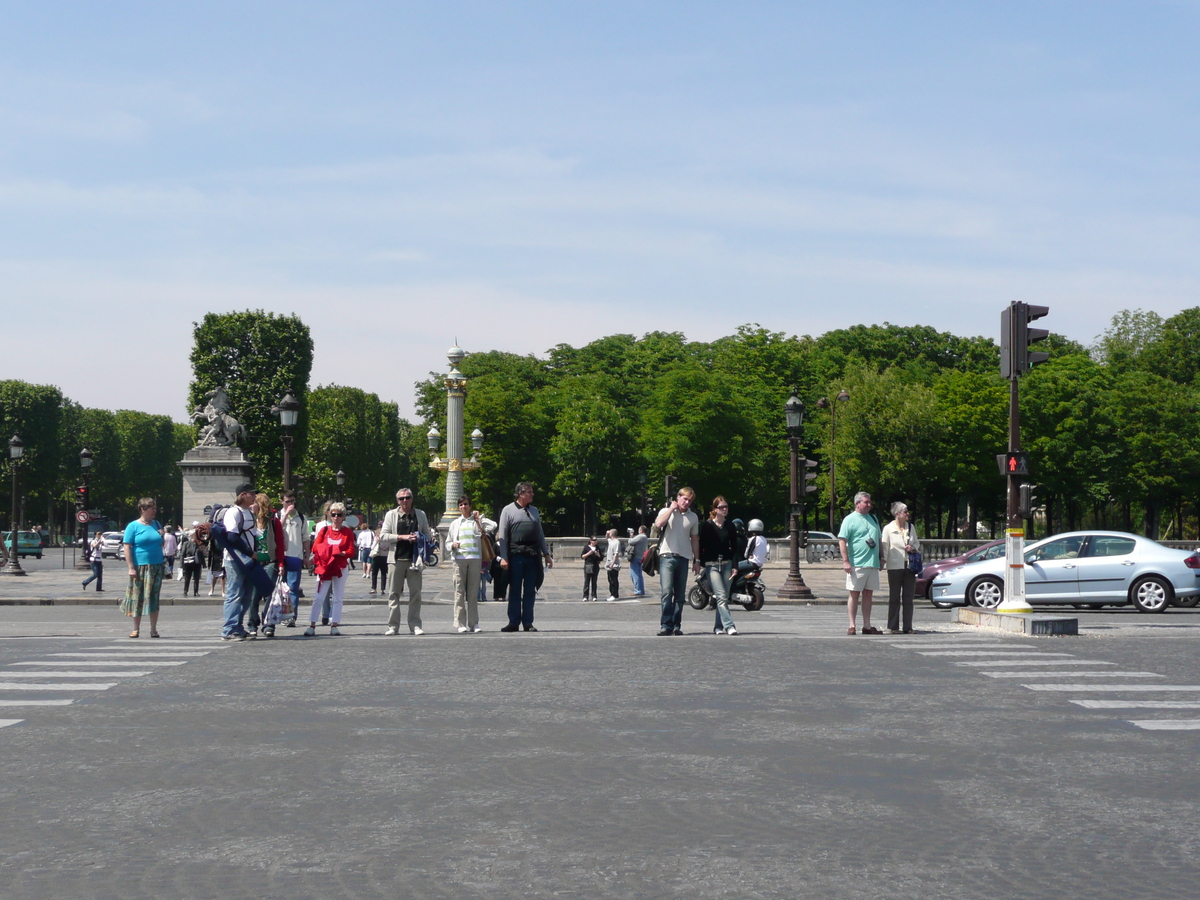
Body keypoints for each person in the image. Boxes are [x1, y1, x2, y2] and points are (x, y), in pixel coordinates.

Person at [496, 481, 553, 632]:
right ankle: (513, 622)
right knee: (514, 589)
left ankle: (528, 622)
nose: (532, 494)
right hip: (516, 556)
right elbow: (503, 536)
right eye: (529, 492)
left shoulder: (534, 511)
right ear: (521, 494)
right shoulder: (508, 510)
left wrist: (546, 554)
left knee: (530, 590)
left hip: (533, 556)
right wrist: (503, 557)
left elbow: (540, 534)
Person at [381, 488, 437, 635]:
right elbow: (383, 536)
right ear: (397, 500)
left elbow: (427, 534)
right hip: (396, 559)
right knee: (393, 594)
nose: (404, 501)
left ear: (412, 499)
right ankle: (393, 626)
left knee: (416, 594)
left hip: (414, 560)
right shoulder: (391, 515)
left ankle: (415, 625)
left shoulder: (420, 514)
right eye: (401, 498)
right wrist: (402, 537)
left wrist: (420, 537)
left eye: (407, 498)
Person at [653, 487, 701, 636]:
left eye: (689, 500)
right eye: (684, 498)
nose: (686, 502)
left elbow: (694, 539)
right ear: (678, 497)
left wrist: (697, 559)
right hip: (667, 556)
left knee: (680, 595)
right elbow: (658, 524)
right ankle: (665, 624)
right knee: (667, 592)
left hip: (683, 557)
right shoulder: (665, 511)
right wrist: (670, 509)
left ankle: (676, 624)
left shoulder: (693, 517)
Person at [306, 503, 354, 636]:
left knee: (338, 597)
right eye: (333, 514)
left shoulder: (347, 531)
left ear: (344, 516)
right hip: (325, 567)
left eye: (339, 514)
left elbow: (351, 551)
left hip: (340, 567)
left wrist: (337, 552)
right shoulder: (324, 530)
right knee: (319, 596)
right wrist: (334, 550)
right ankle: (312, 625)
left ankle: (335, 625)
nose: (336, 517)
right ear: (329, 515)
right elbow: (315, 548)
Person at [839, 491, 883, 636]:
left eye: (870, 502)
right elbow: (842, 541)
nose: (869, 505)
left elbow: (879, 539)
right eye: (866, 502)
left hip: (872, 563)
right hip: (857, 563)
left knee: (868, 594)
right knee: (854, 594)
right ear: (857, 504)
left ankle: (867, 625)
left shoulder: (873, 518)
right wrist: (846, 561)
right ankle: (852, 625)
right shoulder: (849, 519)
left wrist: (881, 557)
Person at [221, 483, 261, 641]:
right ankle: (229, 629)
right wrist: (250, 553)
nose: (254, 496)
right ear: (243, 495)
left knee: (247, 595)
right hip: (235, 559)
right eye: (252, 494)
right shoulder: (234, 512)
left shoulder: (249, 512)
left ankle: (238, 626)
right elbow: (232, 537)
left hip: (249, 559)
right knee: (235, 593)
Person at [448, 493, 493, 633]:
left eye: (466, 504)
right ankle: (461, 623)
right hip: (459, 560)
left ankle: (474, 623)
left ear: (470, 506)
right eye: (461, 505)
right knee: (459, 592)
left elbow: (493, 526)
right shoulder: (455, 523)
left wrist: (479, 518)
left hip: (475, 559)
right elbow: (447, 542)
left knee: (473, 593)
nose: (463, 507)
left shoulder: (476, 522)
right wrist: (453, 545)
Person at [122, 497, 165, 639]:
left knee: (154, 597)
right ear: (143, 509)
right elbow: (127, 546)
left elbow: (160, 544)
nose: (155, 511)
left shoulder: (157, 524)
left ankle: (153, 629)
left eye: (155, 508)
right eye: (152, 508)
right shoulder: (133, 526)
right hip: (140, 566)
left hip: (156, 565)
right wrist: (131, 567)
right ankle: (136, 629)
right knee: (137, 597)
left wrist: (162, 536)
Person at [699, 496, 741, 635]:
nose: (725, 509)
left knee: (723, 597)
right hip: (712, 565)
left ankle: (718, 626)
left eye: (726, 507)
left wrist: (735, 566)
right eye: (722, 507)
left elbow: (735, 547)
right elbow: (701, 545)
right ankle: (729, 626)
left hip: (727, 564)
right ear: (715, 509)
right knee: (721, 596)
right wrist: (698, 561)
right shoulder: (706, 526)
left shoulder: (730, 526)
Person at [247, 493, 285, 638]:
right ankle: (252, 624)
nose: (250, 505)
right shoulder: (249, 521)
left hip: (270, 562)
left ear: (260, 505)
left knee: (269, 594)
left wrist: (281, 563)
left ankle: (269, 625)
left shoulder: (273, 522)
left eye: (253, 503)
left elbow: (280, 545)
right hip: (254, 563)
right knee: (253, 595)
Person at [882, 501, 921, 635]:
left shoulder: (911, 527)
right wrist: (883, 561)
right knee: (894, 597)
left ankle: (908, 626)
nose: (907, 514)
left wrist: (913, 547)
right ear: (897, 514)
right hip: (894, 566)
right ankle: (893, 626)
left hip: (909, 565)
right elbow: (885, 546)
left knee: (908, 597)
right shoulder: (888, 528)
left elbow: (917, 542)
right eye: (905, 512)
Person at [277, 490, 309, 626]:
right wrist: (285, 515)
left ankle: (291, 617)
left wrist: (307, 555)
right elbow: (277, 528)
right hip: (280, 556)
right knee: (280, 588)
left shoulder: (301, 517)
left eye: (292, 501)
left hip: (295, 556)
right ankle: (281, 614)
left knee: (293, 588)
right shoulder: (277, 515)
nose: (291, 504)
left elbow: (306, 538)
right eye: (287, 501)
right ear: (282, 502)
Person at [177, 529, 204, 597]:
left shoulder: (198, 543)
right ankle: (185, 591)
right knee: (187, 578)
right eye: (194, 535)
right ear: (191, 535)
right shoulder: (186, 543)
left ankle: (196, 592)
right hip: (188, 563)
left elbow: (201, 554)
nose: (195, 536)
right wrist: (181, 564)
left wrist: (204, 563)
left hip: (197, 563)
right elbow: (182, 554)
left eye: (195, 535)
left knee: (196, 578)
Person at [627, 525, 648, 597]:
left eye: (639, 530)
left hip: (635, 557)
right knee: (639, 575)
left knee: (634, 574)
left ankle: (637, 590)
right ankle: (641, 590)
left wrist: (631, 536)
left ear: (641, 530)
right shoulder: (645, 537)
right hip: (640, 557)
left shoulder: (640, 536)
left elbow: (631, 542)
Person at [369, 523, 389, 596]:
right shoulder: (387, 540)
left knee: (374, 573)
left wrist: (377, 541)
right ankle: (382, 589)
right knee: (383, 573)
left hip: (376, 556)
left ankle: (374, 588)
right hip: (385, 557)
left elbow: (372, 547)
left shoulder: (376, 538)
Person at [581, 536, 602, 601]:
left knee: (594, 581)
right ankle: (585, 596)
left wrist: (597, 554)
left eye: (596, 540)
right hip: (588, 565)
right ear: (591, 541)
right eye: (594, 540)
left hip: (595, 566)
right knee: (587, 581)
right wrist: (589, 553)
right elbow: (582, 556)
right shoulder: (586, 547)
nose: (595, 541)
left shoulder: (597, 548)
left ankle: (594, 596)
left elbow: (601, 558)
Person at [604, 528, 622, 602]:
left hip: (613, 563)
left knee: (613, 580)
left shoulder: (616, 542)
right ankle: (612, 594)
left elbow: (616, 554)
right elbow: (606, 538)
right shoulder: (610, 541)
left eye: (610, 533)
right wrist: (607, 533)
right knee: (610, 579)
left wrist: (612, 563)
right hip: (609, 562)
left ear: (612, 533)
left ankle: (614, 595)